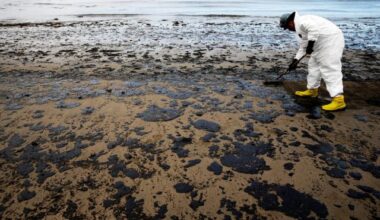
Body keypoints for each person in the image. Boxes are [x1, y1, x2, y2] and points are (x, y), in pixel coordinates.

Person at [279, 11, 346, 111]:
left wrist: (310, 45)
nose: (289, 30)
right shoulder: (300, 30)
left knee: (329, 68)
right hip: (319, 43)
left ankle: (338, 100)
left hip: (331, 40)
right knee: (313, 65)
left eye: (287, 27)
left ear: (290, 22)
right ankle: (312, 90)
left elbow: (314, 30)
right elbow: (303, 47)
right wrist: (295, 61)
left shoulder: (302, 22)